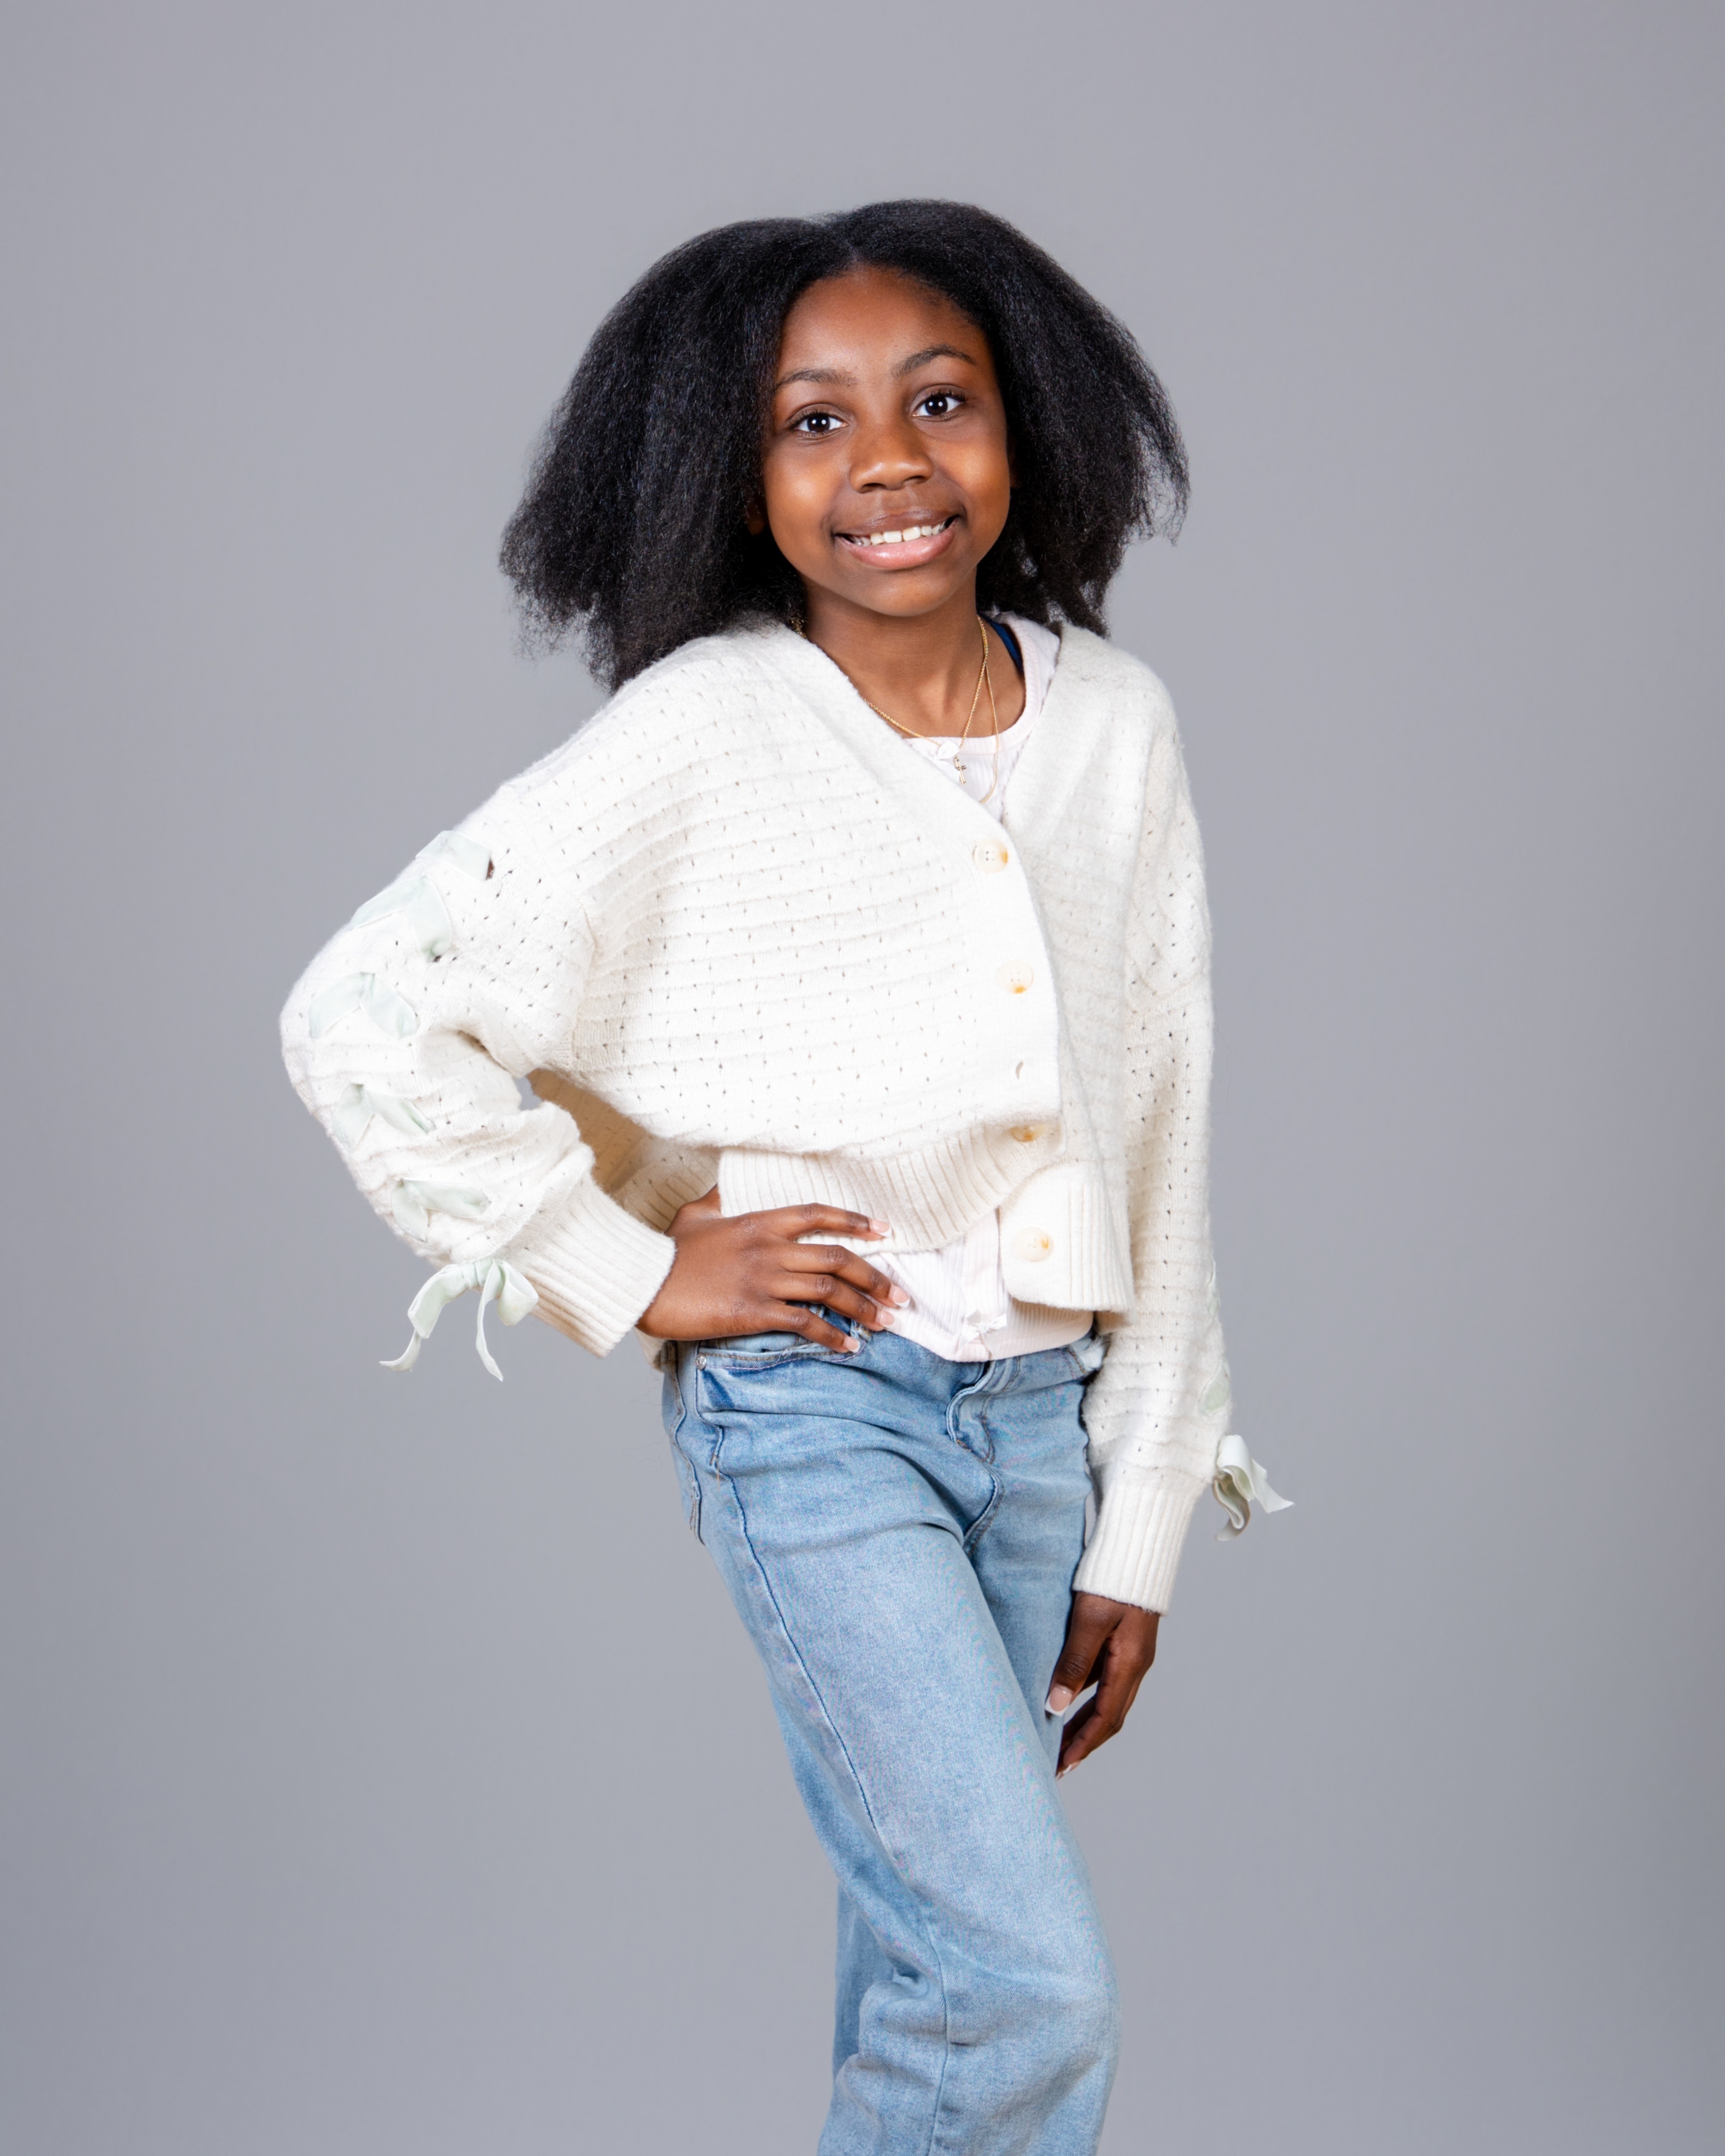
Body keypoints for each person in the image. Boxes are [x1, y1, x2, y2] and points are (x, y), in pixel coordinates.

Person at [280, 199, 1287, 2155]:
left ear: (1029, 424)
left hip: (1041, 1431)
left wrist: (1148, 1499)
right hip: (818, 1415)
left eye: (941, 400)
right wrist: (625, 1264)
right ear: (731, 481)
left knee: (930, 1972)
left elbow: (1164, 1120)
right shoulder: (709, 726)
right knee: (1020, 1986)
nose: (888, 459)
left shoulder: (1118, 729)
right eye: (811, 423)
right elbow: (364, 1014)